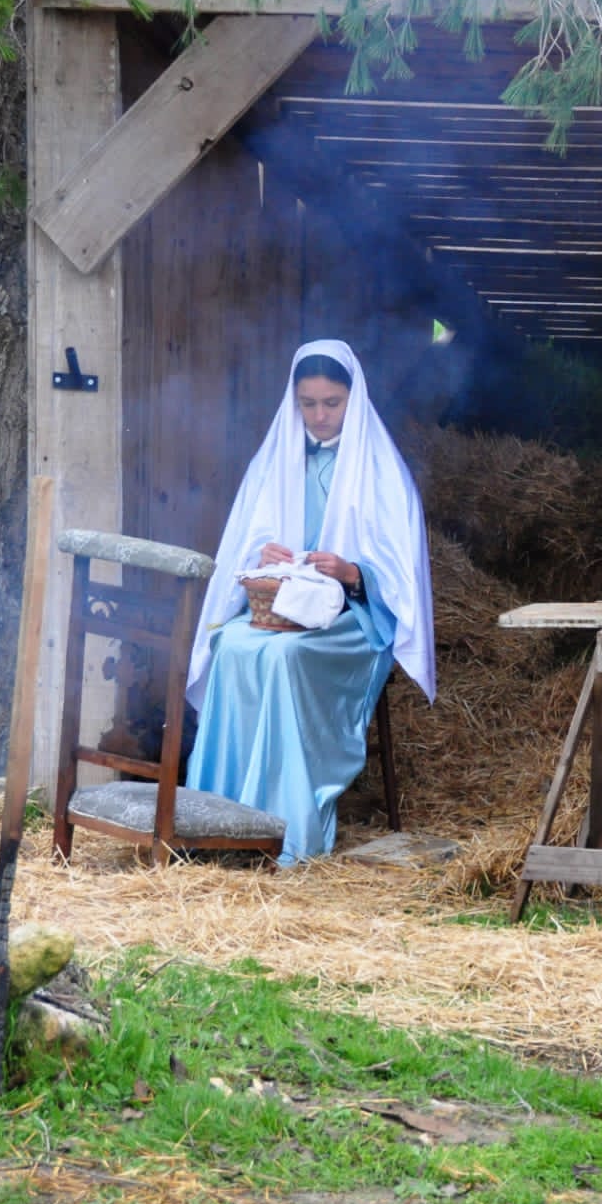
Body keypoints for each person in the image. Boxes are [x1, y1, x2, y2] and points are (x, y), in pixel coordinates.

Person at [184, 340, 435, 864]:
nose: (319, 416)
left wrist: (352, 573)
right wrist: (267, 555)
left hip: (351, 621)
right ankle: (217, 819)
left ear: (354, 400)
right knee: (228, 643)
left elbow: (400, 573)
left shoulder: (379, 470)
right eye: (308, 403)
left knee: (283, 656)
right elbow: (246, 541)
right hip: (280, 611)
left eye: (332, 403)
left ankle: (285, 827)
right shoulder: (277, 458)